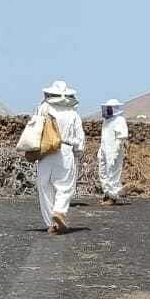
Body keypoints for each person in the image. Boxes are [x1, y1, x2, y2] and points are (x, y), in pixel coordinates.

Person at [34, 79, 85, 234]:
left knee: (45, 185)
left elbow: (34, 129)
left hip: (45, 151)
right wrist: (78, 153)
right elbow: (80, 139)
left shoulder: (43, 109)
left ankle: (51, 223)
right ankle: (59, 212)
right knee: (65, 186)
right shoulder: (73, 113)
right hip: (66, 151)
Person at [98, 100, 129, 202]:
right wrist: (101, 150)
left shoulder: (120, 120)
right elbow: (104, 137)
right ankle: (107, 193)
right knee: (103, 172)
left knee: (112, 173)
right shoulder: (106, 121)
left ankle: (113, 196)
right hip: (104, 150)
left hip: (114, 151)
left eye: (109, 108)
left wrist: (116, 152)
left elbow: (122, 137)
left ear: (114, 108)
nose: (106, 110)